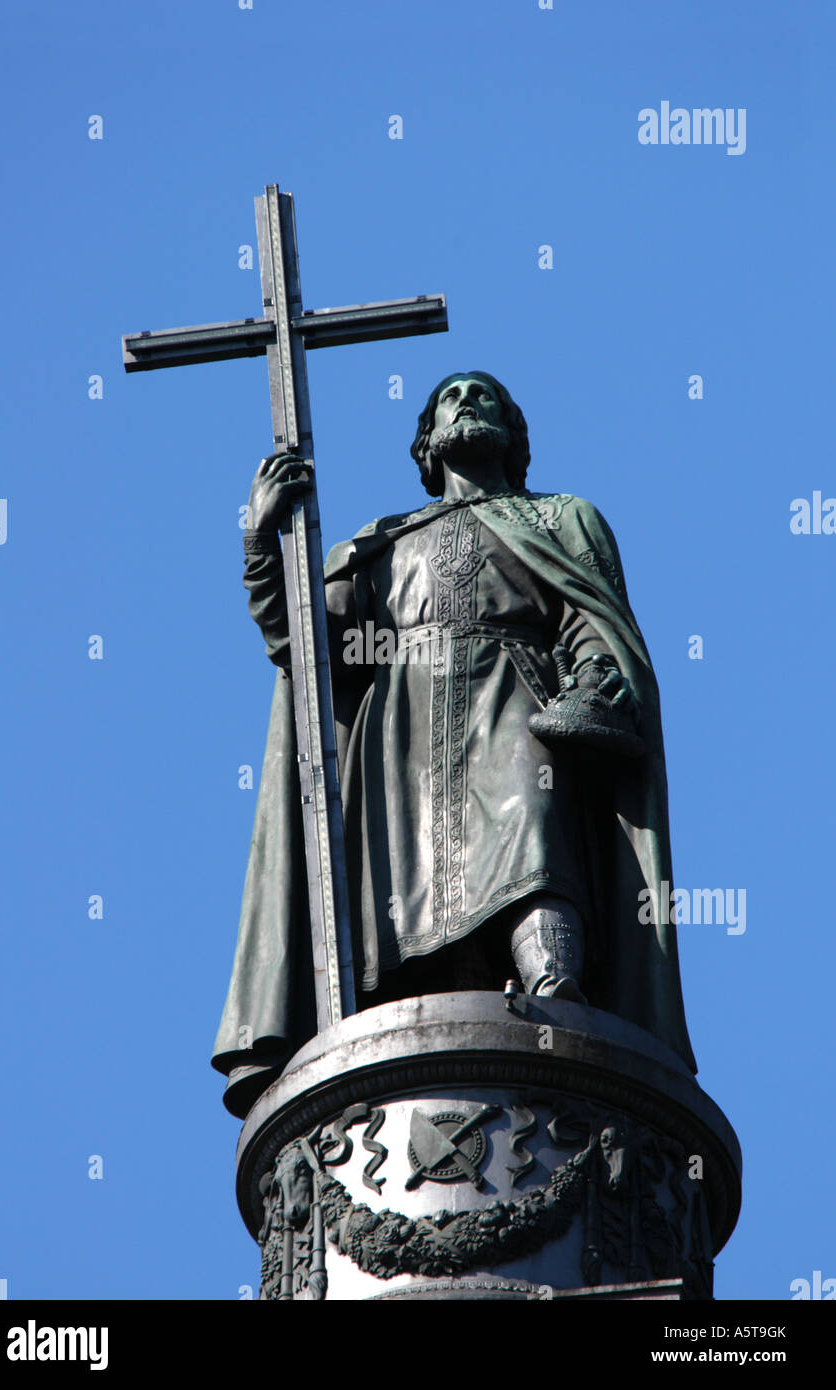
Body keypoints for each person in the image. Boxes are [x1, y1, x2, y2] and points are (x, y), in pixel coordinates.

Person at [212, 372, 696, 1117]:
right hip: (399, 737)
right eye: (450, 397)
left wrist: (596, 685)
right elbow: (309, 651)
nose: (468, 401)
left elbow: (591, 622)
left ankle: (553, 986)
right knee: (403, 890)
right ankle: (405, 1044)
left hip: (516, 697)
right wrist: (259, 538)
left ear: (513, 430)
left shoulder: (561, 518)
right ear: (426, 441)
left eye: (485, 395)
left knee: (531, 838)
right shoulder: (380, 544)